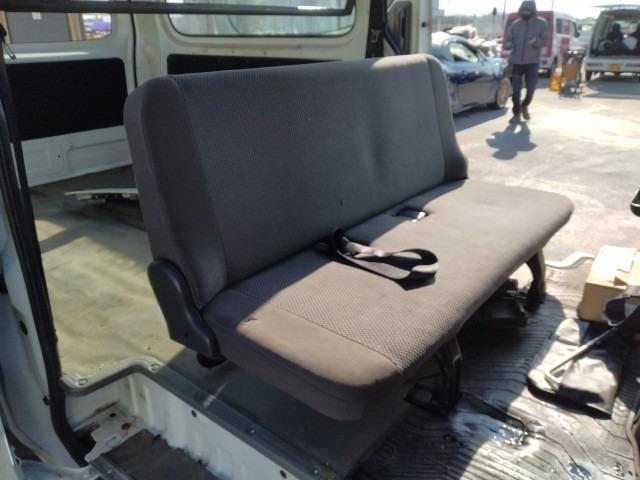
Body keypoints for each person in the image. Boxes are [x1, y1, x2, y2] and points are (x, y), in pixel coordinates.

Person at [504, 1, 548, 124]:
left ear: (533, 11)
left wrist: (535, 42)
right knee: (516, 91)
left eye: (527, 11)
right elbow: (508, 40)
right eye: (523, 10)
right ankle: (516, 114)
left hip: (532, 62)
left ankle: (525, 105)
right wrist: (508, 44)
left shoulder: (542, 23)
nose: (525, 13)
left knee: (531, 89)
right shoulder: (515, 25)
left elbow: (544, 41)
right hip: (516, 62)